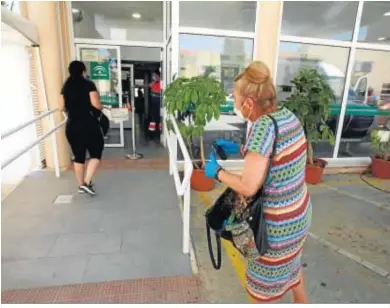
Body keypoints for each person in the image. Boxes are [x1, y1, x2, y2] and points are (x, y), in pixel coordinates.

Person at [205, 61, 312, 303]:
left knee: (262, 291)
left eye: (235, 97)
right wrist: (243, 149)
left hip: (273, 229)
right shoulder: (287, 117)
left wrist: (216, 172)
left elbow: (249, 186)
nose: (234, 103)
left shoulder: (263, 127)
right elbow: (275, 159)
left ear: (249, 102)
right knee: (292, 267)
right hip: (299, 215)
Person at [59, 60, 104, 196]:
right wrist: (101, 106)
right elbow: (96, 105)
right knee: (96, 152)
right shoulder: (88, 84)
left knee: (79, 156)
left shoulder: (66, 86)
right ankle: (87, 180)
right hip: (88, 124)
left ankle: (81, 185)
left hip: (72, 125)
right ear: (83, 71)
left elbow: (60, 107)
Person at [148, 70, 161, 137]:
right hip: (153, 103)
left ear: (158, 76)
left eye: (155, 75)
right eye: (153, 76)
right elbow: (148, 85)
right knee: (152, 118)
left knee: (159, 118)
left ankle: (160, 132)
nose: (154, 77)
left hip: (159, 103)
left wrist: (154, 92)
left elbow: (161, 92)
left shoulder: (161, 83)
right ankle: (151, 133)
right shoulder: (153, 82)